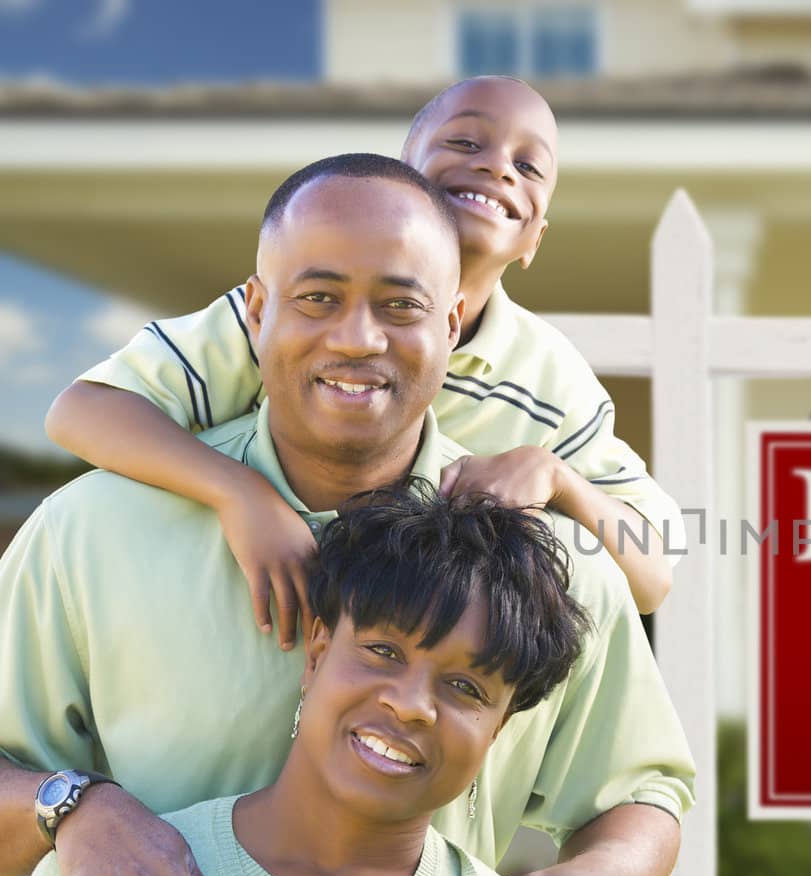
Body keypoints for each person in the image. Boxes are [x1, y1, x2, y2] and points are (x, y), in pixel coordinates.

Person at [0, 154, 692, 876]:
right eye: (318, 297)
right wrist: (75, 811)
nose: (358, 338)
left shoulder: (546, 567)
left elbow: (643, 791)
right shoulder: (90, 534)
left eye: (401, 306)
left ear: (452, 322)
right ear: (258, 312)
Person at [46, 75, 677, 627]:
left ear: (536, 237)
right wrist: (240, 494)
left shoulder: (550, 379)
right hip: (237, 611)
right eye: (464, 142)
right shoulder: (292, 316)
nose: (497, 167)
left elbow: (653, 577)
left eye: (529, 165)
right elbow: (82, 411)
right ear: (400, 176)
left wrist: (558, 477)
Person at [0, 487, 600, 876]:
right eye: (385, 651)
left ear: (496, 732)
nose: (412, 704)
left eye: (467, 687)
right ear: (316, 655)